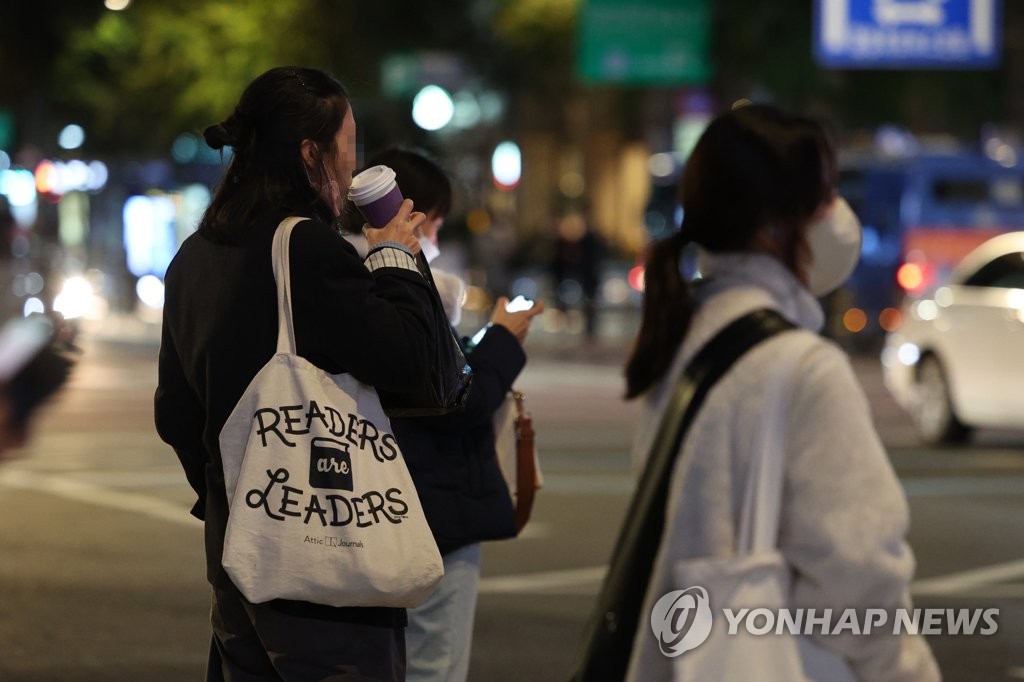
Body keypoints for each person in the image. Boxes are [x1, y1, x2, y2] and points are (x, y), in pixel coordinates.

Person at [622, 104, 939, 680]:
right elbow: (860, 579)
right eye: (824, 196)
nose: (837, 215)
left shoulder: (682, 337)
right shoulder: (805, 369)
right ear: (773, 225)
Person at [154, 67, 440, 682]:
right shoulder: (305, 248)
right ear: (312, 153)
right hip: (324, 560)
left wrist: (236, 497)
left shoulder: (195, 256)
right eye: (349, 143)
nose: (351, 161)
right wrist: (395, 255)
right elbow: (413, 364)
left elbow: (174, 412)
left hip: (241, 553)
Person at [358, 148, 544, 682]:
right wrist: (504, 341)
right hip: (437, 509)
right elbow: (457, 400)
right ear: (411, 213)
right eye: (435, 220)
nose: (436, 235)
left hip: (374, 507)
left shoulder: (336, 281)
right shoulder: (415, 287)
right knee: (432, 666)